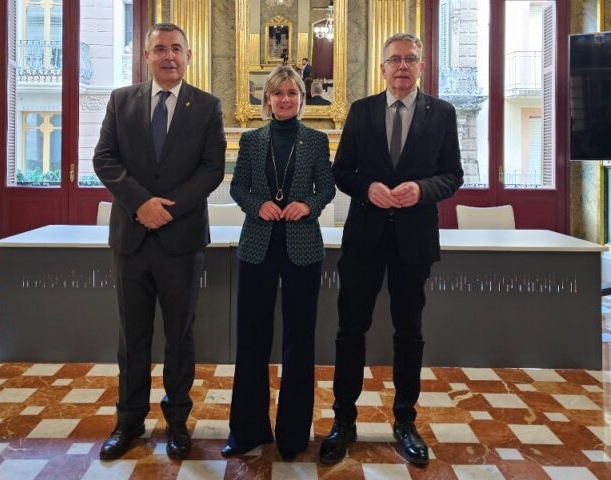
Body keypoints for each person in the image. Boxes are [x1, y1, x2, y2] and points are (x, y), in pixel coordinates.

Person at [319, 33, 463, 466]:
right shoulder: (361, 111)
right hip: (364, 239)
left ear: (422, 66)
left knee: (409, 333)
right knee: (350, 332)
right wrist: (368, 188)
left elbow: (452, 175)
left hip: (414, 241)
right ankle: (343, 421)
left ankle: (405, 421)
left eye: (410, 59)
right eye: (395, 59)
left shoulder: (443, 113)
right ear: (382, 67)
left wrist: (421, 190)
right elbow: (342, 171)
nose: (402, 66)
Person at [93, 22, 226, 461]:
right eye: (160, 49)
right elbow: (104, 159)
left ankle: (177, 422)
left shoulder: (206, 106)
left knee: (180, 337)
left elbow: (212, 169)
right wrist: (141, 204)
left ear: (188, 56)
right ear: (146, 56)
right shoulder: (121, 101)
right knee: (131, 337)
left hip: (181, 239)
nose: (169, 56)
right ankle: (129, 421)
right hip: (131, 239)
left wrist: (166, 209)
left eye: (176, 49)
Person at [223, 65, 335, 462]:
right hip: (258, 245)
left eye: (292, 93)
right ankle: (247, 430)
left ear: (302, 99)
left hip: (303, 247)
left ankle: (293, 435)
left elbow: (327, 188)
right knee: (252, 339)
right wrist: (258, 205)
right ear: (267, 99)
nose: (285, 99)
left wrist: (308, 205)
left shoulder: (316, 141)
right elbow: (238, 187)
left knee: (299, 340)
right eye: (278, 93)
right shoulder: (252, 141)